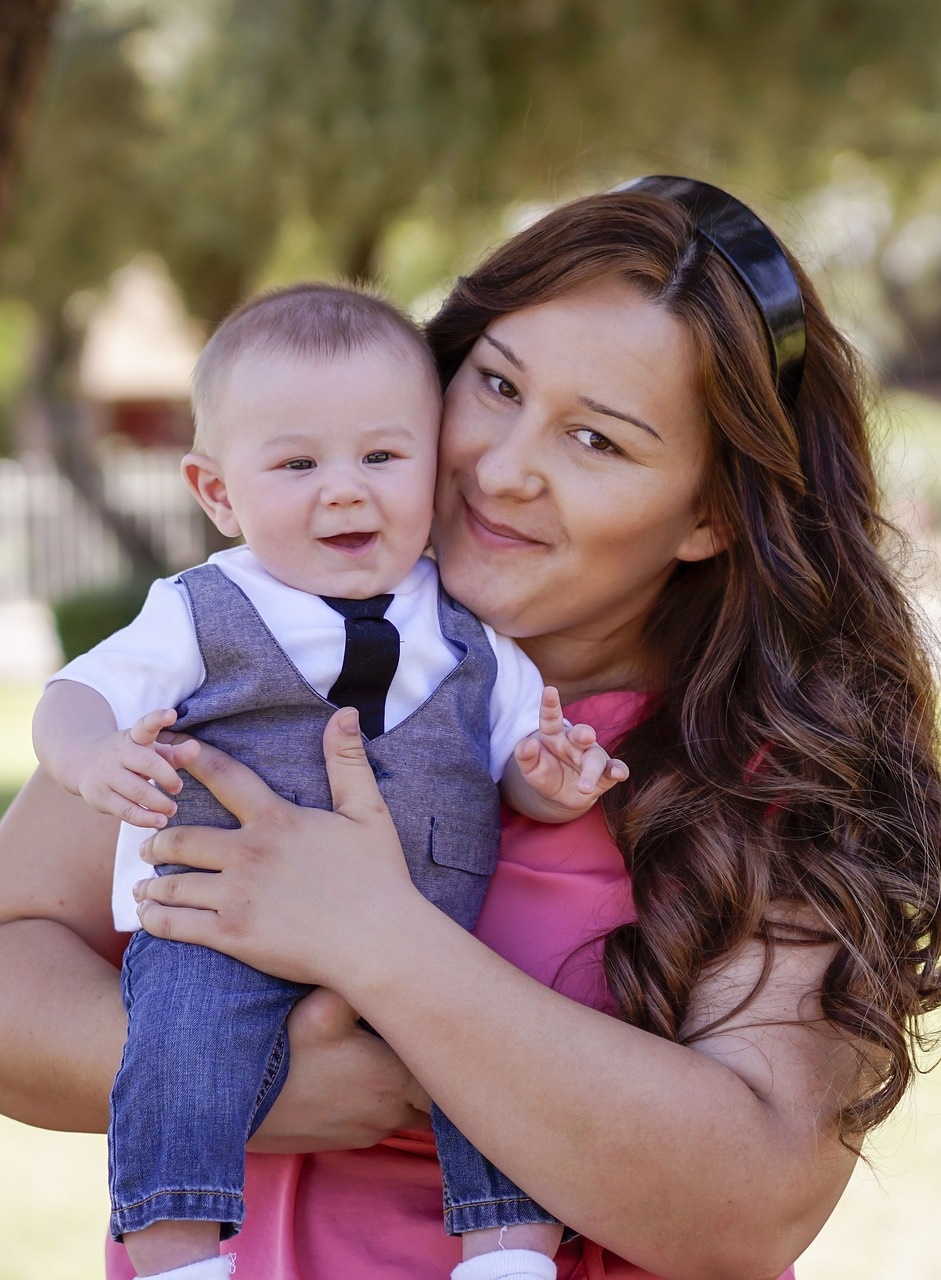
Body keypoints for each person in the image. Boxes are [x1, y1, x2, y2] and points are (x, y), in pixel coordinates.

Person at [1, 175, 940, 1280]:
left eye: (596, 441)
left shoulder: (773, 774)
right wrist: (247, 1084)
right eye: (494, 384)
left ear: (707, 513)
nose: (500, 469)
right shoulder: (239, 631)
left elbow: (751, 1200)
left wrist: (377, 937)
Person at [30, 282, 627, 1280]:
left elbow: (516, 755)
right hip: (218, 923)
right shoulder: (199, 608)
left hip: (425, 932)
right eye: (297, 463)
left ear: (433, 469)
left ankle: (505, 1249)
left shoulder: (470, 627)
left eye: (382, 457)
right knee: (177, 1047)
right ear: (218, 492)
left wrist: (548, 783)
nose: (344, 489)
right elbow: (71, 694)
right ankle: (178, 1253)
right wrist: (93, 756)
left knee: (489, 1058)